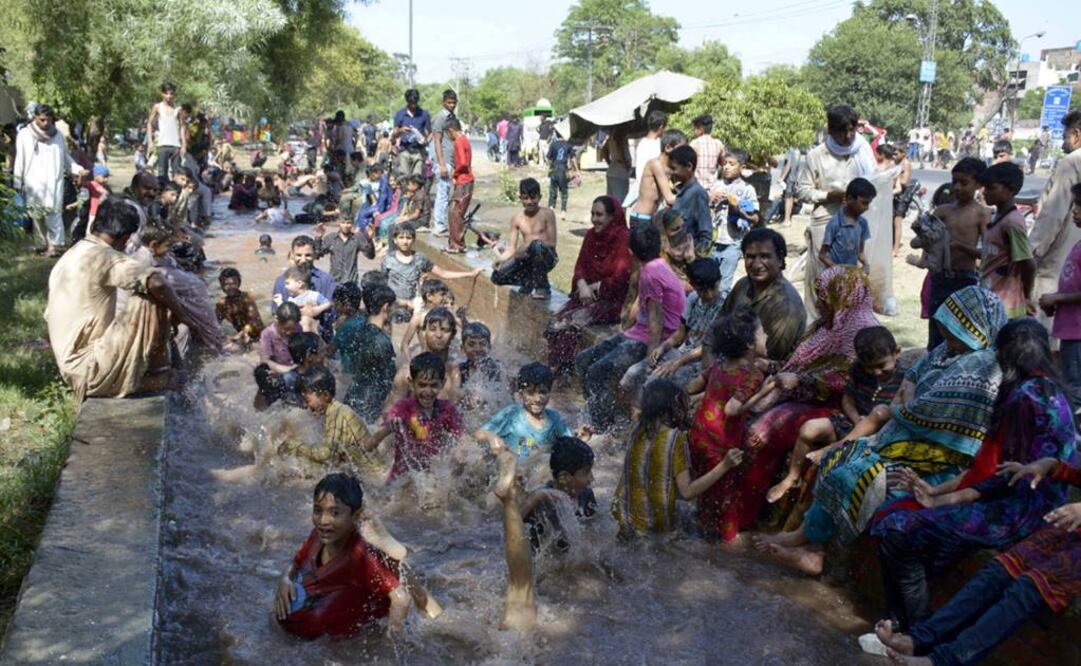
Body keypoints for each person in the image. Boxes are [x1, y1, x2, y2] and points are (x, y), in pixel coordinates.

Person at [755, 287, 1006, 576]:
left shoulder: (981, 366)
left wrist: (902, 404)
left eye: (954, 332)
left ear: (975, 328)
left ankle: (816, 552)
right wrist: (905, 398)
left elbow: (924, 410)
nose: (947, 338)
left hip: (939, 458)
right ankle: (809, 543)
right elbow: (914, 375)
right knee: (840, 459)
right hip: (904, 438)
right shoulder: (947, 351)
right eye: (947, 330)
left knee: (857, 476)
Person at [872, 318, 1078, 632]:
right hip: (1039, 506)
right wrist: (939, 494)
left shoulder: (1023, 398)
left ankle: (913, 628)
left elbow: (1005, 476)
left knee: (896, 529)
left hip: (1019, 513)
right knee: (916, 534)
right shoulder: (1054, 391)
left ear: (1004, 357)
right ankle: (905, 625)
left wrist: (943, 499)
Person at [875, 455, 1081, 666]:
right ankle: (917, 639)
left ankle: (941, 661)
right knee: (998, 571)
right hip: (1069, 529)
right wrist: (1049, 465)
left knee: (1029, 588)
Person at [44, 197, 189, 399]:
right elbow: (157, 283)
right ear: (126, 238)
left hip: (72, 369)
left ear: (95, 225)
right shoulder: (104, 256)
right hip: (90, 370)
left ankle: (148, 377)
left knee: (151, 293)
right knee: (151, 298)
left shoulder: (71, 255)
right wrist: (182, 315)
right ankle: (160, 375)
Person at [767, 326, 902, 505]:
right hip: (852, 423)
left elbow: (895, 413)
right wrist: (856, 419)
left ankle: (835, 447)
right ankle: (792, 477)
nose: (876, 372)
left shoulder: (904, 378)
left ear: (897, 352)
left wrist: (867, 424)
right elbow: (847, 400)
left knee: (880, 411)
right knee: (809, 429)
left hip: (876, 434)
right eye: (870, 368)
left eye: (881, 366)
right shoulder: (859, 370)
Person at [275, 473, 411, 639]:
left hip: (346, 638)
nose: (323, 521)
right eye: (318, 510)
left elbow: (401, 599)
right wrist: (285, 579)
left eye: (335, 513)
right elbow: (296, 563)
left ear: (355, 516)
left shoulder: (360, 556)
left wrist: (389, 645)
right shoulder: (317, 537)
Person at [577, 224, 684, 433]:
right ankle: (599, 413)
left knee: (597, 372)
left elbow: (655, 316)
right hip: (636, 333)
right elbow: (641, 303)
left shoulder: (651, 273)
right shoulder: (656, 266)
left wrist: (651, 356)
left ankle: (601, 427)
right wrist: (625, 326)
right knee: (583, 360)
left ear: (631, 251)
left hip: (650, 339)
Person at [613, 378, 744, 537]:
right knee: (699, 524)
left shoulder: (636, 428)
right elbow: (687, 492)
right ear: (673, 407)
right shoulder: (675, 438)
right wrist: (725, 465)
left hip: (623, 514)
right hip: (654, 525)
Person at [684, 306, 771, 544]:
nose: (766, 336)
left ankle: (702, 532)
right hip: (721, 448)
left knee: (706, 494)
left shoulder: (719, 365)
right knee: (725, 502)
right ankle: (726, 548)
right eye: (762, 333)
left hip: (698, 437)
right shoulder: (752, 374)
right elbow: (732, 409)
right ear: (750, 345)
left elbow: (692, 386)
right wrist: (765, 390)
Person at [492, 437, 595, 631]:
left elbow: (591, 531)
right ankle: (508, 494)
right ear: (564, 477)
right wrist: (535, 499)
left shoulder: (586, 495)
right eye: (586, 473)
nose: (591, 479)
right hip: (540, 570)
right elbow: (512, 529)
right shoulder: (543, 497)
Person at [796, 104, 877, 318]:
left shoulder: (862, 152)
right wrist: (828, 195)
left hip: (854, 225)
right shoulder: (816, 155)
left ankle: (844, 328)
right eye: (842, 131)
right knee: (821, 282)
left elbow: (874, 182)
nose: (848, 136)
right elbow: (802, 190)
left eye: (852, 130)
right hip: (825, 222)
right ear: (831, 130)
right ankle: (816, 327)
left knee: (849, 283)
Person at [544, 195, 632, 376]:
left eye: (599, 215)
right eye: (592, 214)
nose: (594, 219)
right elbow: (580, 266)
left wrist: (595, 287)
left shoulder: (623, 238)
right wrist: (582, 283)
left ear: (612, 217)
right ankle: (557, 366)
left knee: (570, 323)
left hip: (612, 302)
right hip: (586, 297)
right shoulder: (591, 235)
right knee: (554, 322)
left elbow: (622, 278)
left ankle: (560, 371)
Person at [619, 257, 724, 408]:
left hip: (701, 362)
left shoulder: (725, 305)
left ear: (719, 282)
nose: (709, 294)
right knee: (631, 375)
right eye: (702, 290)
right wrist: (663, 347)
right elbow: (681, 331)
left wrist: (677, 362)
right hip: (682, 353)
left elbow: (708, 346)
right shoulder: (693, 299)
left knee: (653, 384)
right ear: (693, 286)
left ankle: (646, 415)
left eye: (712, 288)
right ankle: (634, 411)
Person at [364, 352, 464, 482]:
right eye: (422, 385)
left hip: (430, 476)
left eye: (434, 385)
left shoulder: (447, 409)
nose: (428, 391)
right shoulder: (403, 409)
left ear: (442, 383)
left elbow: (463, 438)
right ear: (411, 384)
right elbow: (374, 440)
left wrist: (461, 454)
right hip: (400, 479)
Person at [924, 157, 990, 349]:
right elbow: (924, 242)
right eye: (955, 182)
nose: (957, 187)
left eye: (964, 183)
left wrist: (960, 247)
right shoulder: (942, 211)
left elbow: (988, 253)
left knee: (960, 332)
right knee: (937, 328)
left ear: (978, 184)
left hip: (964, 279)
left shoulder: (982, 214)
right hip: (940, 278)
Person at [278, 368, 386, 476]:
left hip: (373, 477)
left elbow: (326, 455)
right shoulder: (336, 411)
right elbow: (335, 457)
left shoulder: (336, 414)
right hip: (370, 474)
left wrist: (295, 446)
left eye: (308, 401)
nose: (305, 406)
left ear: (325, 395)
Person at [720, 228, 807, 361]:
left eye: (765, 257)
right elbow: (719, 324)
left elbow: (769, 358)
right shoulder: (743, 285)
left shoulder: (786, 305)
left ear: (780, 259)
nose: (756, 265)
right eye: (750, 257)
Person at [1030, 111, 1081, 335]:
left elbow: (1052, 214)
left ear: (1076, 135)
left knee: (1045, 328)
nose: (1063, 144)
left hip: (1059, 261)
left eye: (1065, 137)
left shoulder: (1072, 162)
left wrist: (1032, 252)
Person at [13, 104, 86, 255]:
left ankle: (55, 246)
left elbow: (65, 157)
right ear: (35, 117)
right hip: (33, 182)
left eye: (49, 120)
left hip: (54, 181)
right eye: (42, 120)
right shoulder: (25, 135)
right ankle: (41, 244)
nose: (46, 123)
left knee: (54, 213)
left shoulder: (58, 135)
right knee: (36, 214)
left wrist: (77, 169)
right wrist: (17, 182)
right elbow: (20, 160)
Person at [1038, 183, 1081, 412]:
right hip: (1071, 328)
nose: (1075, 211)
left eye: (1080, 206)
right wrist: (1056, 298)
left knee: (1075, 389)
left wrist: (1058, 299)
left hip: (1078, 332)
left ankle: (1071, 429)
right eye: (1075, 206)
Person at [475, 362, 573, 460]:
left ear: (549, 393)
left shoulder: (554, 418)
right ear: (521, 394)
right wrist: (492, 437)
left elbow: (570, 443)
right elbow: (479, 434)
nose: (537, 399)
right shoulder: (511, 414)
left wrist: (579, 438)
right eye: (530, 393)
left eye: (543, 392)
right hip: (513, 465)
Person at [381, 222, 481, 315]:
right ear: (395, 240)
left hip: (414, 305)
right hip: (395, 304)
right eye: (401, 238)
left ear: (414, 240)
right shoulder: (388, 260)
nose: (405, 241)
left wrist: (470, 273)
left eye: (408, 238)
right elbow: (383, 284)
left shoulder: (420, 259)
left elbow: (442, 273)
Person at [978, 161, 1035, 319]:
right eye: (984, 187)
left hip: (1005, 306)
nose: (984, 192)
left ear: (1011, 189)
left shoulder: (1012, 223)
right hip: (990, 298)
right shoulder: (997, 217)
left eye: (991, 188)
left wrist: (1026, 296)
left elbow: (1028, 263)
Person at [491, 178, 559, 300]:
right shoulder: (517, 219)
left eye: (533, 198)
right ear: (520, 198)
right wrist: (500, 259)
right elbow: (511, 249)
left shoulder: (547, 214)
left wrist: (528, 244)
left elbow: (552, 243)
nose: (530, 202)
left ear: (540, 197)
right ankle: (528, 281)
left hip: (547, 256)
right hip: (526, 259)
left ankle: (543, 288)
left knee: (536, 245)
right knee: (496, 277)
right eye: (526, 198)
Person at [341, 284, 398, 423]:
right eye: (393, 306)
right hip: (371, 405)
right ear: (385, 307)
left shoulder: (359, 332)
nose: (395, 310)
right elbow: (390, 379)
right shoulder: (382, 341)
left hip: (351, 398)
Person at [709, 149, 761, 297]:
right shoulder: (716, 185)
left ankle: (721, 308)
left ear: (742, 168)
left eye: (731, 164)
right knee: (709, 281)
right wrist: (711, 200)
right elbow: (707, 211)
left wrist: (738, 210)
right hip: (714, 242)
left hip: (733, 242)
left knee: (724, 286)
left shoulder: (747, 189)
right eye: (725, 163)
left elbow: (755, 218)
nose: (726, 167)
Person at [819, 177, 875, 273]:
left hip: (850, 275)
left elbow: (860, 252)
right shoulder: (835, 224)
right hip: (833, 276)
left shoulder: (863, 224)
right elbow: (822, 255)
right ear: (849, 199)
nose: (867, 208)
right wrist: (838, 270)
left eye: (868, 204)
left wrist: (866, 264)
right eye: (864, 203)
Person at [630, 129, 684, 228]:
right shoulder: (656, 164)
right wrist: (692, 199)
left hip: (652, 218)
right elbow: (670, 198)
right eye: (681, 149)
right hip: (641, 218)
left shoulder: (669, 168)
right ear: (668, 148)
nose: (683, 154)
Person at [668, 144, 713, 259]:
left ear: (688, 166)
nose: (671, 172)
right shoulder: (679, 191)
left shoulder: (698, 193)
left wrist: (694, 259)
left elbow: (706, 234)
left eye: (674, 168)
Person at [398, 278, 453, 361]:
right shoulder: (418, 318)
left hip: (443, 362)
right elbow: (405, 344)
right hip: (425, 361)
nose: (445, 298)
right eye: (442, 294)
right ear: (429, 296)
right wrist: (410, 364)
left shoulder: (447, 316)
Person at [313, 212, 374, 285]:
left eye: (348, 223)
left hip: (351, 281)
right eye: (343, 222)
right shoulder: (331, 238)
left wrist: (369, 240)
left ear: (352, 224)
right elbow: (317, 255)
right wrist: (318, 238)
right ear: (339, 223)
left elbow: (370, 256)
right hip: (334, 281)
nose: (345, 226)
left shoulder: (357, 238)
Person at [429, 89, 458, 237]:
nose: (451, 105)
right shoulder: (440, 118)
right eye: (449, 102)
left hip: (451, 161)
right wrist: (441, 164)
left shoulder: (453, 118)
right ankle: (439, 226)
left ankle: (443, 223)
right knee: (442, 192)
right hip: (443, 161)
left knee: (447, 193)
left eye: (454, 102)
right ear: (443, 102)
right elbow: (437, 141)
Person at [145, 82, 187, 180]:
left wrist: (184, 145)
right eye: (166, 93)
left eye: (171, 93)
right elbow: (149, 123)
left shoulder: (178, 109)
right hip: (162, 144)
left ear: (174, 94)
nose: (169, 96)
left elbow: (182, 126)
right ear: (162, 94)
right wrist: (150, 141)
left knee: (177, 174)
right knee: (162, 174)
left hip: (175, 145)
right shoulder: (157, 107)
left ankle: (175, 189)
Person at [215, 268, 264, 348]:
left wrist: (239, 335)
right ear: (221, 285)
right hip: (242, 337)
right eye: (226, 284)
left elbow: (255, 321)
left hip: (260, 337)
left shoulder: (246, 298)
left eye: (233, 283)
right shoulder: (222, 304)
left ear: (239, 283)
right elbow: (214, 324)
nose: (230, 287)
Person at [445, 117, 474, 253]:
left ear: (451, 130)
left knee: (455, 213)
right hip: (467, 181)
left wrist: (454, 173)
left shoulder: (458, 142)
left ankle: (456, 245)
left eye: (448, 133)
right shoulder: (465, 140)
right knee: (457, 213)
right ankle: (458, 243)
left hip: (463, 181)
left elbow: (462, 163)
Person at [627, 111, 667, 207]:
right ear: (661, 126)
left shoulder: (642, 143)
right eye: (666, 127)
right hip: (652, 192)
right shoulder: (657, 145)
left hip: (641, 188)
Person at [277, 267, 331, 334]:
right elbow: (286, 313)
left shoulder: (313, 295)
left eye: (287, 283)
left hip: (313, 328)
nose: (285, 286)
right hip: (297, 330)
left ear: (299, 284)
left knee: (305, 321)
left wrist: (317, 309)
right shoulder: (291, 300)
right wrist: (279, 302)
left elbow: (328, 303)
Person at [392, 89, 431, 180]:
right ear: (407, 101)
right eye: (411, 102)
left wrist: (426, 141)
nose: (413, 104)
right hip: (404, 150)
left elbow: (430, 133)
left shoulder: (424, 114)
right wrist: (401, 130)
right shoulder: (400, 114)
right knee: (404, 178)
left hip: (419, 151)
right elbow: (394, 134)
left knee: (417, 179)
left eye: (415, 102)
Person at [546, 131, 577, 220]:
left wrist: (551, 165)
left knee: (553, 190)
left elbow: (548, 157)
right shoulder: (568, 145)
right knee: (564, 191)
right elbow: (573, 158)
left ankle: (551, 209)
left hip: (554, 169)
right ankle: (563, 212)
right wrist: (576, 170)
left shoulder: (553, 144)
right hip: (563, 170)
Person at [689, 114, 724, 190]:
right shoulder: (718, 144)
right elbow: (723, 163)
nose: (694, 132)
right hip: (713, 188)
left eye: (694, 129)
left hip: (696, 187)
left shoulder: (694, 143)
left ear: (700, 129)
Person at [599, 127, 631, 203]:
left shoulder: (611, 138)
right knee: (620, 201)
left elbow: (604, 150)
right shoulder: (621, 138)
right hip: (620, 172)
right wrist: (626, 164)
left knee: (611, 201)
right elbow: (621, 150)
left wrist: (609, 162)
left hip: (612, 170)